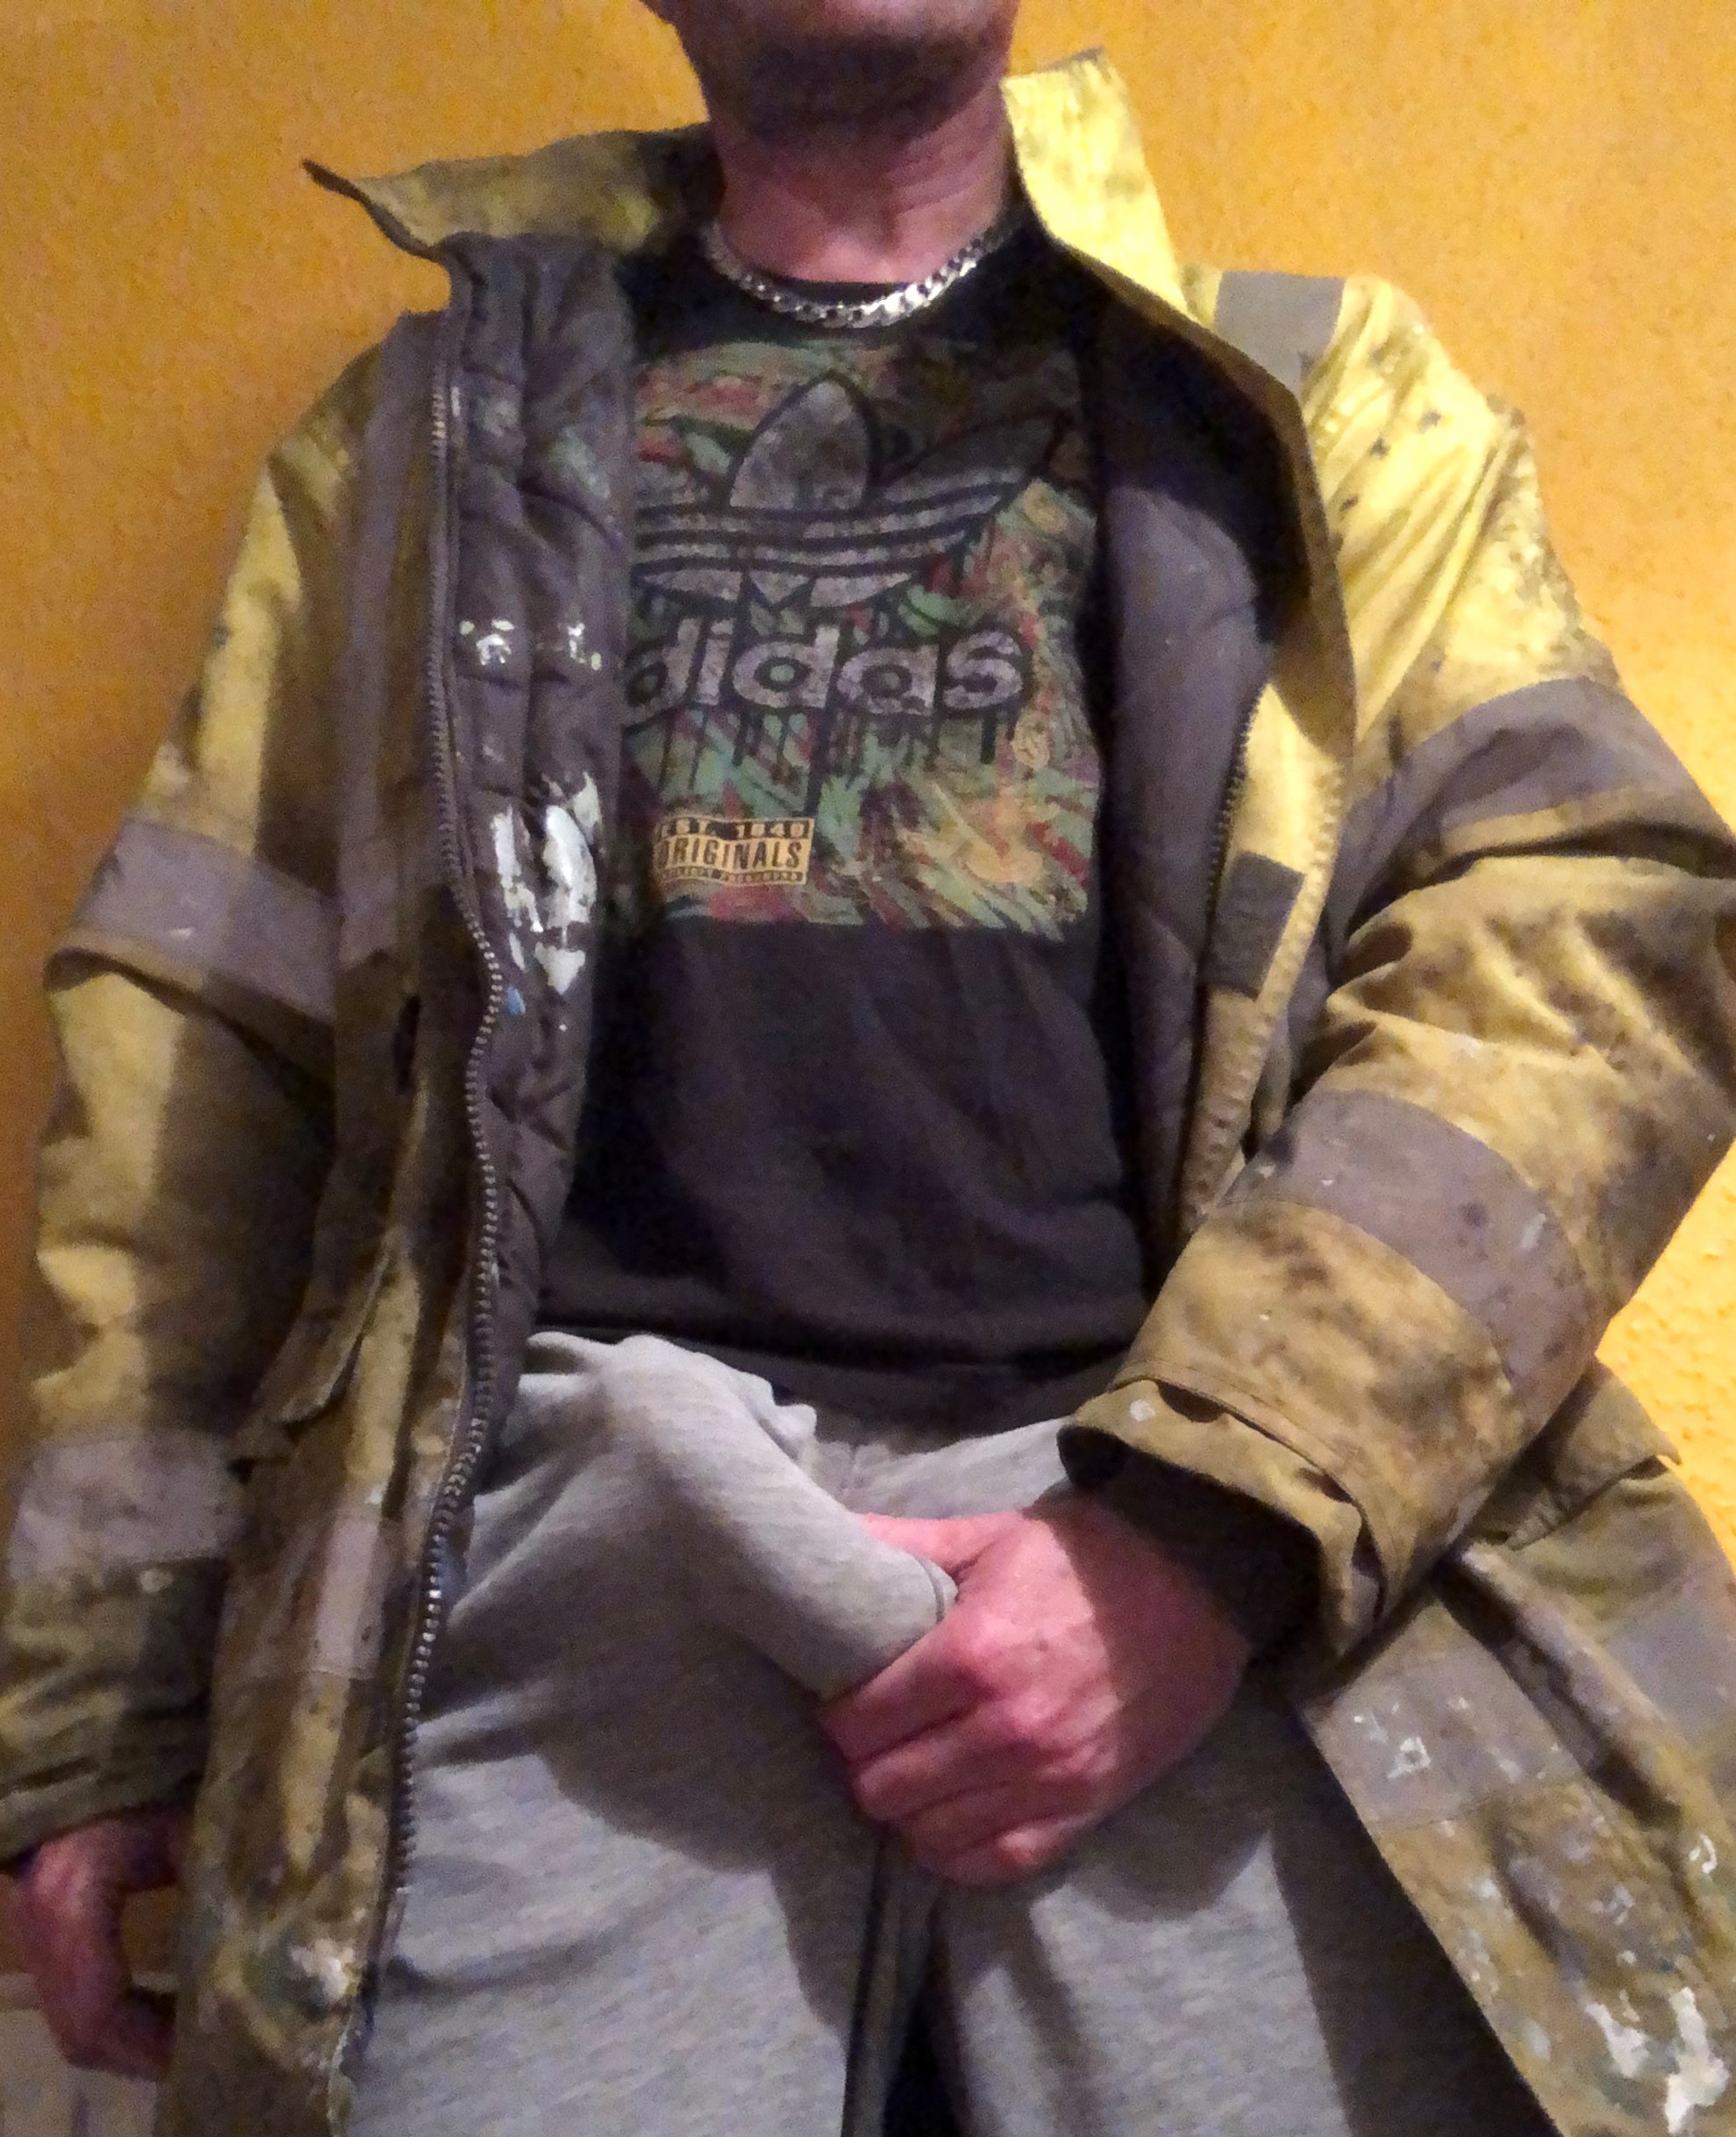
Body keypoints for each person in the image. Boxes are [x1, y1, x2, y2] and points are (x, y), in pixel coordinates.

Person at [5, 3, 1736, 2133]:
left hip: (1199, 1564)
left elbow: (1584, 925)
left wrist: (1206, 1531)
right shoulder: (413, 450)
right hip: (568, 1558)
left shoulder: (1322, 399)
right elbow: (197, 1063)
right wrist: (105, 1704)